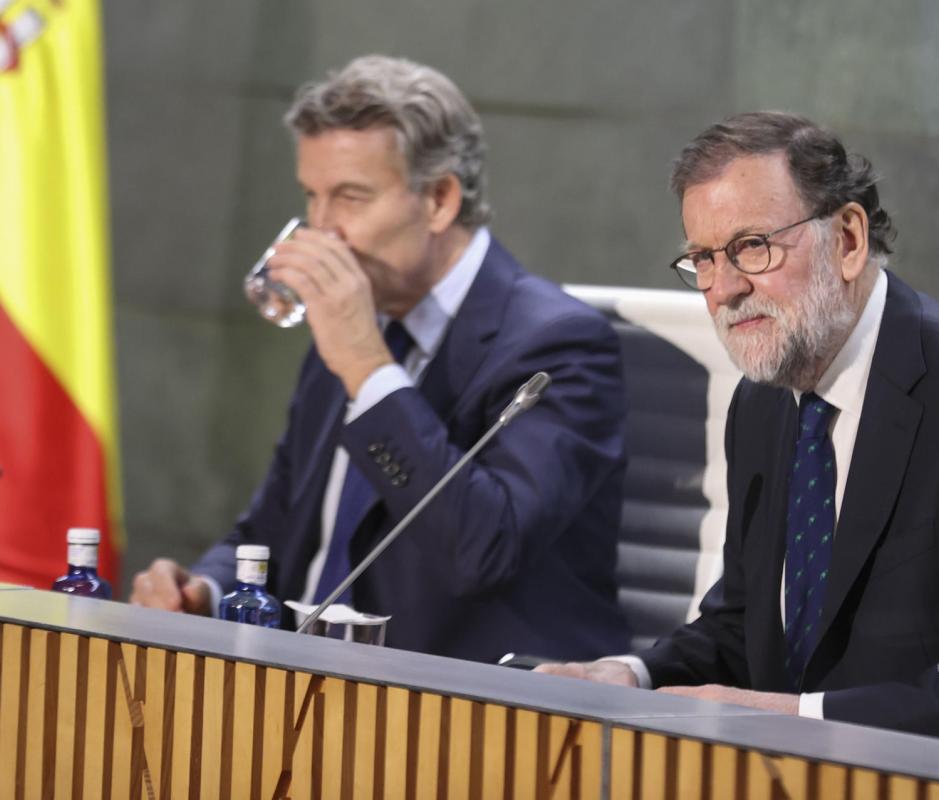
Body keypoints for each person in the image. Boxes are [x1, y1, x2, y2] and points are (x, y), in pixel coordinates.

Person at [539, 111, 939, 740]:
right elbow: (746, 624)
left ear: (849, 240)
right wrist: (632, 676)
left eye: (751, 246)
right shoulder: (764, 402)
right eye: (703, 258)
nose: (723, 288)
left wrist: (801, 718)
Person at [131, 55, 631, 663]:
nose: (321, 233)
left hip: (462, 711)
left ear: (440, 200)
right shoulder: (353, 323)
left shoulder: (559, 343)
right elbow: (276, 524)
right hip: (302, 688)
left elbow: (483, 551)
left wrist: (369, 369)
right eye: (312, 198)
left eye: (350, 198)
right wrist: (203, 590)